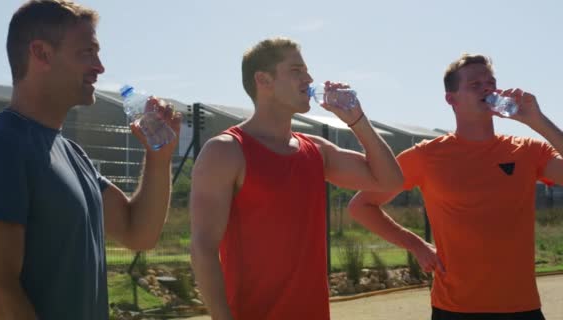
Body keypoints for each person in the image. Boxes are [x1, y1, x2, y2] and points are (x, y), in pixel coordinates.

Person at [0, 1, 181, 319]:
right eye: (87, 52)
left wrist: (158, 156)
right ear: (42, 54)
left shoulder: (73, 155)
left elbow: (138, 232)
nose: (99, 67)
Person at [190, 37, 403, 320]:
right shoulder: (226, 151)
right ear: (263, 80)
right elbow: (203, 249)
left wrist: (356, 119)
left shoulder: (315, 150)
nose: (309, 78)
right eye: (296, 70)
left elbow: (390, 181)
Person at [348, 53, 563, 320]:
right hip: (455, 309)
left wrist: (539, 121)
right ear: (451, 99)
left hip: (521, 307)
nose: (487, 88)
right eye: (475, 84)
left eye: (491, 82)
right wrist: (416, 245)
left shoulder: (527, 151)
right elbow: (361, 206)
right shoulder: (426, 156)